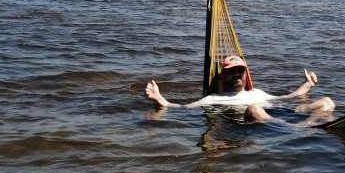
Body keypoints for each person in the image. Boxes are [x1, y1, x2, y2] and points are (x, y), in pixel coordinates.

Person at [144, 54, 335, 122]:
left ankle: (309, 123)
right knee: (253, 109)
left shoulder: (257, 92)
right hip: (267, 124)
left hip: (282, 116)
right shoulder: (213, 99)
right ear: (223, 76)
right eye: (231, 71)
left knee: (327, 101)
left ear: (245, 74)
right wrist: (159, 99)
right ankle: (301, 128)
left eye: (239, 71)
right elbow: (183, 109)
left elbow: (291, 96)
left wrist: (308, 83)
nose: (236, 75)